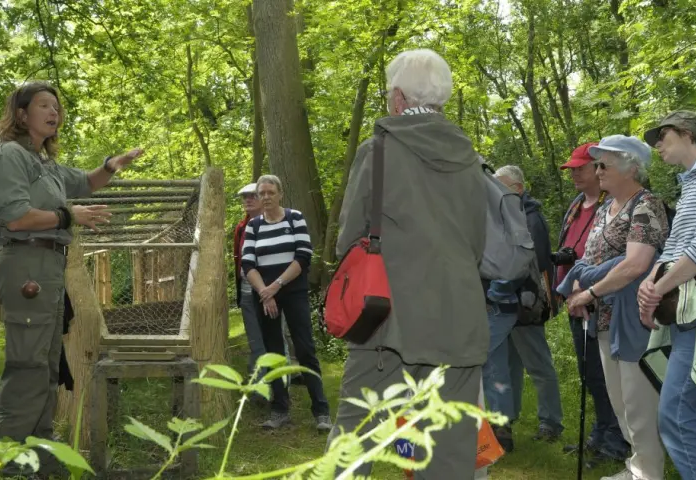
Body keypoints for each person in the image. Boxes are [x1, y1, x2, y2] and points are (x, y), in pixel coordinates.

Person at [327, 48, 488, 479]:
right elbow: (478, 244)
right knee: (449, 448)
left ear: (397, 97)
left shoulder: (378, 150)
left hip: (388, 317)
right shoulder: (471, 159)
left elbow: (350, 237)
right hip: (459, 316)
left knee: (354, 437)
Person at [0, 81, 142, 476]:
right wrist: (69, 216)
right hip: (25, 265)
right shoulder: (11, 157)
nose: (54, 112)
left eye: (56, 107)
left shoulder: (46, 165)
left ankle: (38, 454)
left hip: (48, 267)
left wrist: (110, 167)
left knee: (47, 363)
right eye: (43, 105)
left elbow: (86, 183)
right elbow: (15, 217)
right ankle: (8, 460)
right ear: (21, 115)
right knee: (27, 365)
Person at [567, 135, 668, 480]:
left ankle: (648, 471)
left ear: (629, 167)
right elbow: (590, 258)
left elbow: (635, 264)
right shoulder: (604, 210)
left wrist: (589, 292)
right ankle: (636, 465)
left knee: (638, 401)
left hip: (634, 319)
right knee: (620, 400)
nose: (597, 171)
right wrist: (578, 287)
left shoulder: (646, 205)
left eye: (603, 164)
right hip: (604, 319)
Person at [638, 110, 696, 480]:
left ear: (686, 133)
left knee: (678, 415)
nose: (657, 145)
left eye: (661, 135)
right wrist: (650, 286)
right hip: (685, 310)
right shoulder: (692, 181)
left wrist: (657, 289)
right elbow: (673, 247)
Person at [240, 175, 332, 431]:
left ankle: (321, 412)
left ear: (280, 194)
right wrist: (264, 293)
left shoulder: (295, 218)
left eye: (271, 192)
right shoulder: (253, 226)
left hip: (292, 292)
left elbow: (303, 255)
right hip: (264, 297)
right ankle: (279, 410)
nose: (266, 197)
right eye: (262, 193)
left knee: (304, 349)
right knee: (272, 354)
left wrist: (276, 286)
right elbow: (248, 264)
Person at [555, 143, 629, 462]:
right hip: (576, 298)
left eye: (581, 168)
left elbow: (613, 257)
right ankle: (600, 432)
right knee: (590, 373)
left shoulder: (612, 205)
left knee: (606, 372)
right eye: (571, 169)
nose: (575, 174)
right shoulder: (577, 204)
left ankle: (617, 440)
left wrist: (584, 287)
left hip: (602, 300)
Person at [493, 165, 564, 444]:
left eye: (502, 185)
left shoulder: (531, 218)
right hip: (506, 302)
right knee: (508, 364)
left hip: (527, 304)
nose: (497, 191)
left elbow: (531, 265)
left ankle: (551, 423)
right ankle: (505, 420)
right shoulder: (507, 214)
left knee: (538, 365)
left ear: (518, 188)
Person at [232, 183, 296, 389]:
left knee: (276, 338)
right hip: (247, 289)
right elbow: (240, 260)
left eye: (252, 196)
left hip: (273, 288)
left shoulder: (278, 225)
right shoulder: (241, 227)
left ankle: (281, 385)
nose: (247, 200)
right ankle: (260, 387)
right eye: (245, 197)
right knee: (255, 341)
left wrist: (273, 288)